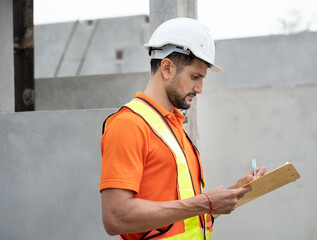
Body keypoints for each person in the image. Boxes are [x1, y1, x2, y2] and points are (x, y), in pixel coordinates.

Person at [100, 18, 266, 240]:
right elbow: (115, 218)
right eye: (194, 77)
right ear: (167, 68)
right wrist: (203, 203)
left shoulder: (173, 127)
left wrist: (232, 193)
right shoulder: (129, 124)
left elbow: (180, 218)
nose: (199, 88)